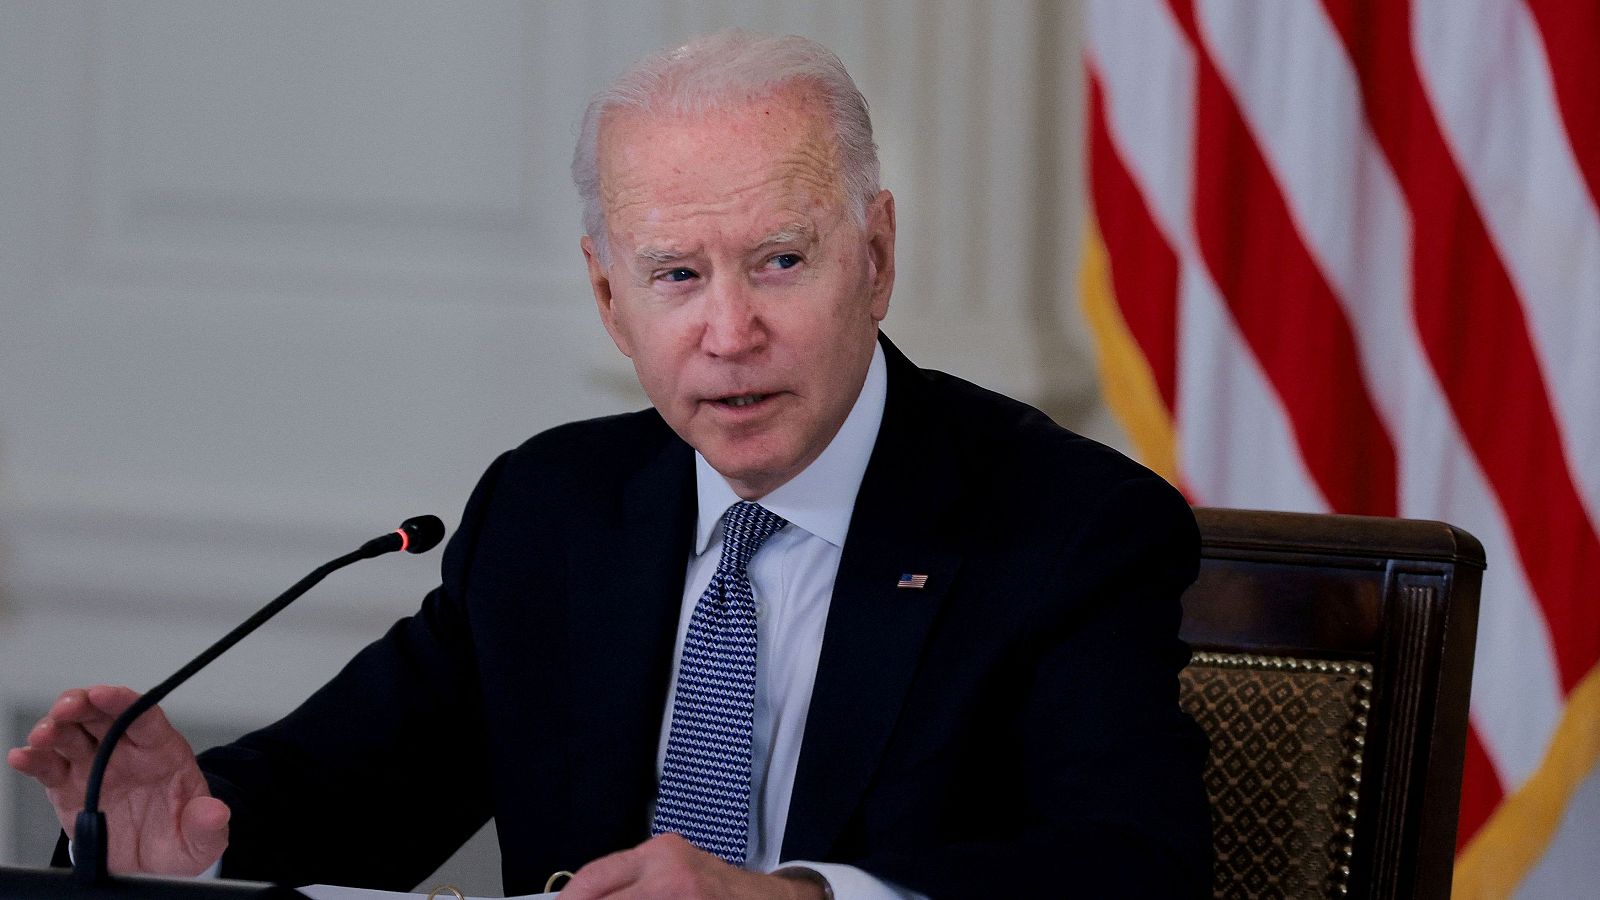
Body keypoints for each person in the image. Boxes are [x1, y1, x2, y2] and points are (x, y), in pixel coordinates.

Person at [7, 31, 1211, 899]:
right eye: (675, 275)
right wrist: (188, 843)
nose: (728, 331)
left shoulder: (1067, 526)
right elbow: (354, 796)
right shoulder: (555, 509)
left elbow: (1131, 870)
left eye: (780, 262)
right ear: (608, 298)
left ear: (877, 256)